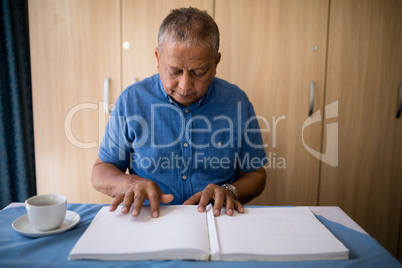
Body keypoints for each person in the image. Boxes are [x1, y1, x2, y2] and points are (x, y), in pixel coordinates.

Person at [91, 7, 267, 218]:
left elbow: (256, 175)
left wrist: (230, 191)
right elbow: (101, 172)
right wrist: (131, 183)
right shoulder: (131, 100)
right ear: (158, 58)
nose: (185, 85)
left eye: (198, 72)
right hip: (149, 218)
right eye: (174, 71)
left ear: (216, 63)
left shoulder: (237, 102)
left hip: (215, 218)